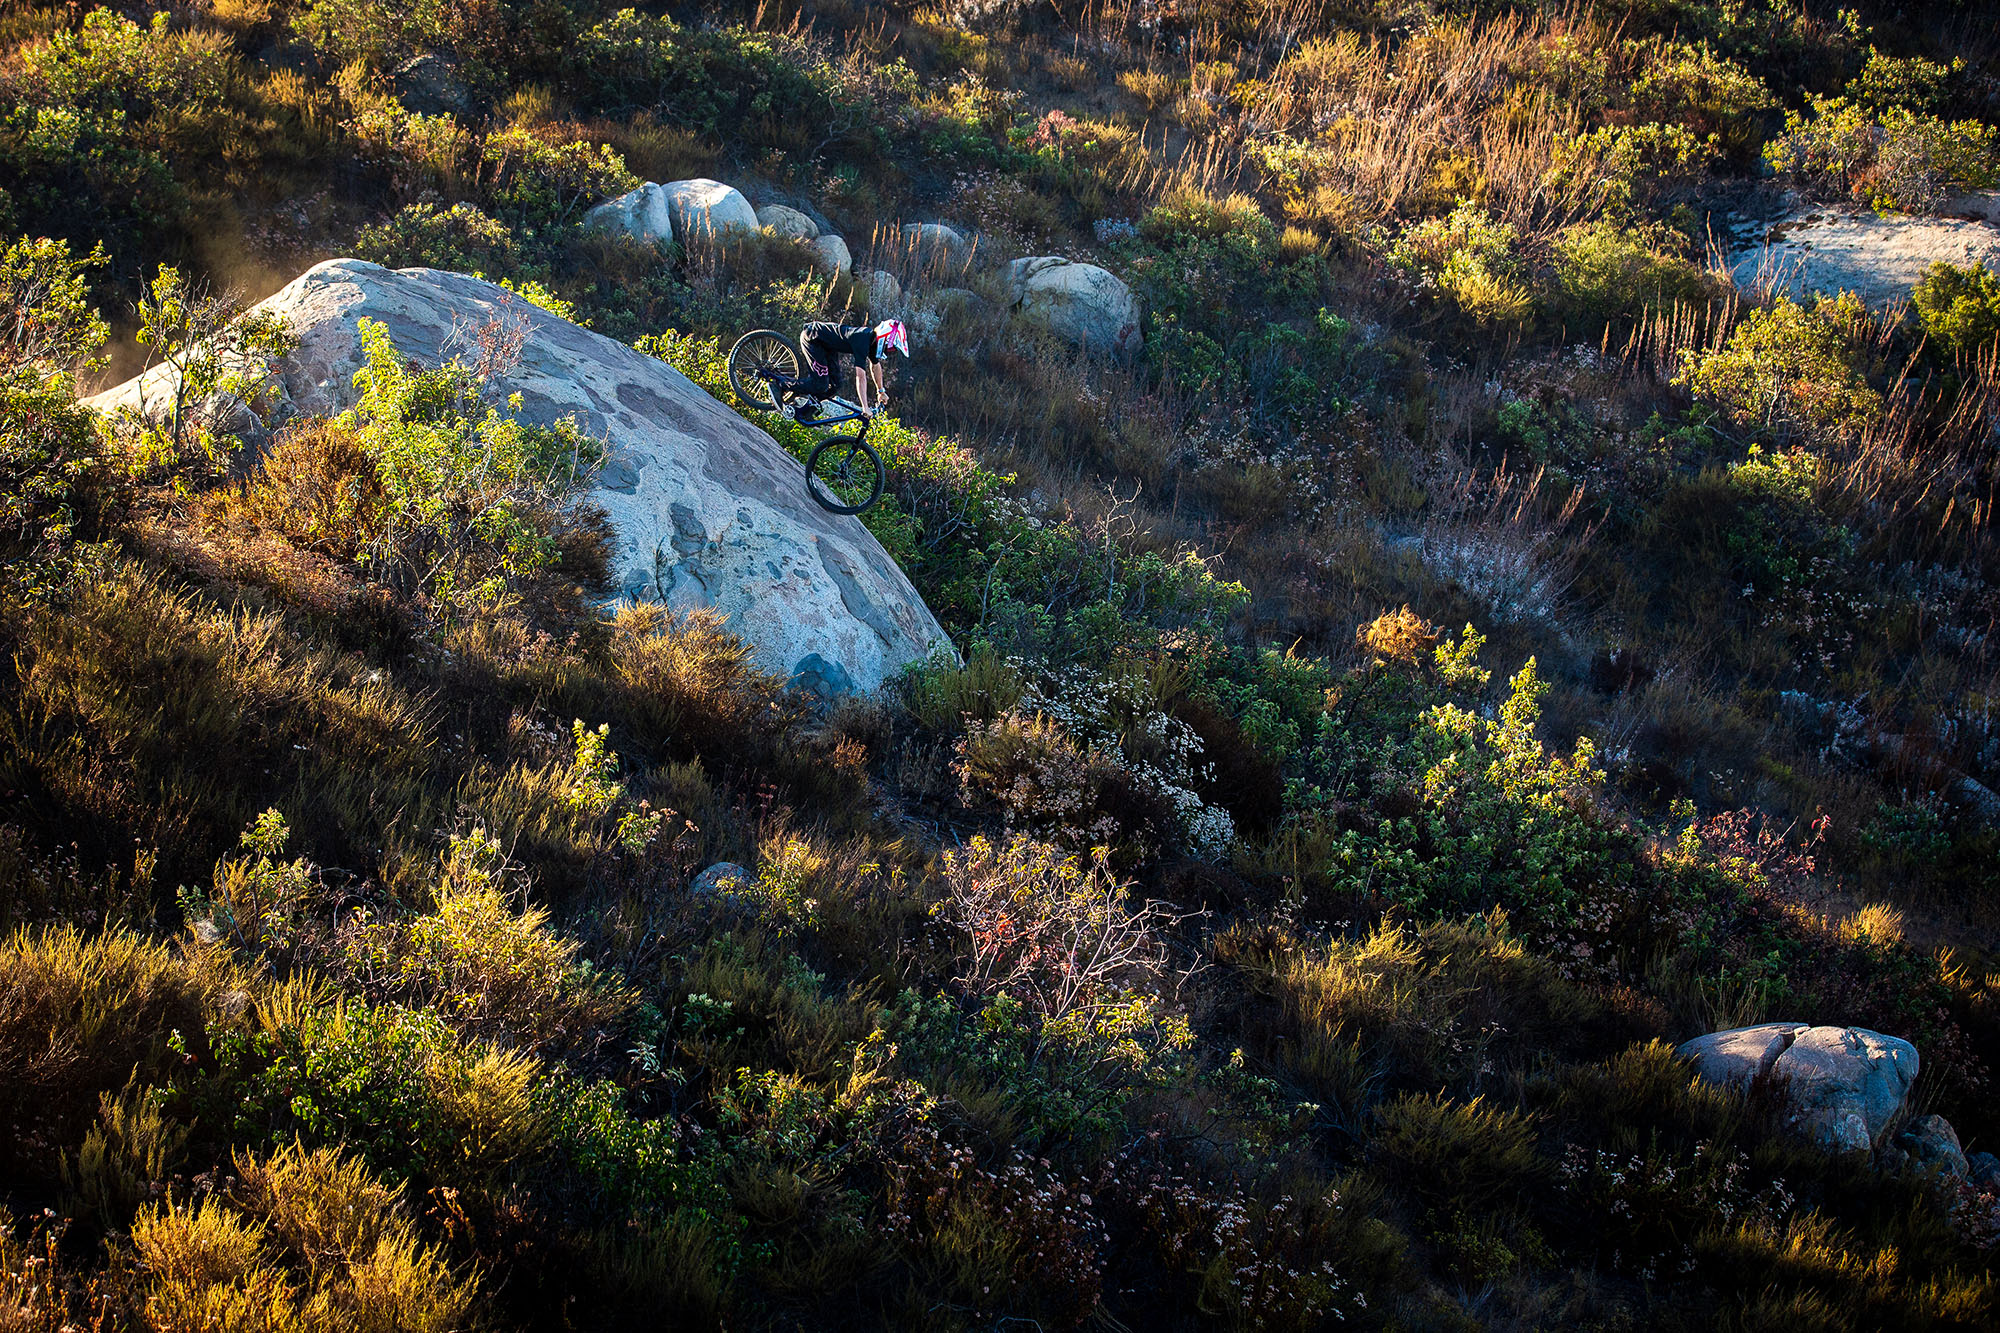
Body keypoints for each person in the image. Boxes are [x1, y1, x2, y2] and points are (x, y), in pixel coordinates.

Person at [796, 317, 907, 418]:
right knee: (820, 384)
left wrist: (881, 391)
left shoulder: (872, 342)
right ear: (884, 338)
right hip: (813, 337)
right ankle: (785, 385)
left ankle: (805, 411)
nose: (889, 351)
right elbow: (860, 377)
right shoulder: (863, 341)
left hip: (826, 346)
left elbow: (875, 366)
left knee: (836, 384)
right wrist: (865, 407)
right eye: (891, 348)